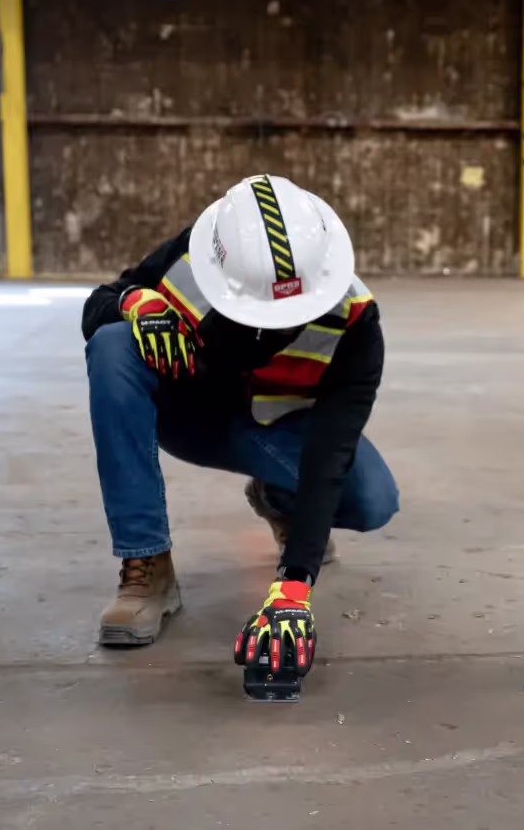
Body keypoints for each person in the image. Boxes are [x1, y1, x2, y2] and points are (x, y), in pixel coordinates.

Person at [81, 174, 399, 681]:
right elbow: (101, 302)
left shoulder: (355, 322)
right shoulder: (196, 256)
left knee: (371, 498)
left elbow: (331, 451)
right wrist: (134, 303)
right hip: (190, 419)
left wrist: (295, 583)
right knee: (113, 346)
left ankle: (278, 501)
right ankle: (148, 565)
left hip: (273, 433)